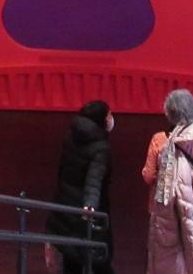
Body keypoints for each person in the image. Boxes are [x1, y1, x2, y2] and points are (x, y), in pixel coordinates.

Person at [142, 89, 193, 274]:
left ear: (169, 112)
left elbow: (148, 176)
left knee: (168, 251)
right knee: (192, 244)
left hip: (166, 206)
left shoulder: (160, 140)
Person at [47, 100, 116, 273]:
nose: (111, 119)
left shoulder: (72, 134)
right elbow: (94, 178)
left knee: (70, 255)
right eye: (109, 115)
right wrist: (90, 204)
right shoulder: (100, 148)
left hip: (65, 203)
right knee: (100, 254)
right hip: (84, 209)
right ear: (101, 119)